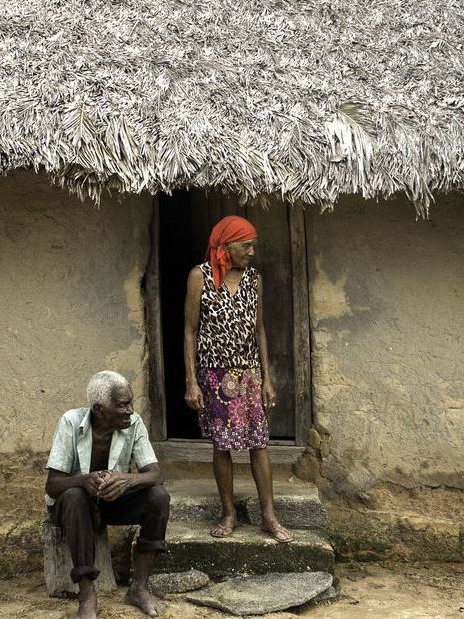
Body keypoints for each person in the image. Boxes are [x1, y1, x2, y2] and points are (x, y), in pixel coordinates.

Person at [183, 215, 294, 543]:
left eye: (253, 245)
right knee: (222, 445)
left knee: (259, 444)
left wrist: (267, 378)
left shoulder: (254, 279)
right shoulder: (198, 277)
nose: (252, 251)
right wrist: (191, 380)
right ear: (226, 245)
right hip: (214, 375)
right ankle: (228, 512)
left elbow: (260, 329)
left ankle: (269, 516)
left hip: (249, 374)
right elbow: (189, 331)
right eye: (246, 245)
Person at [45, 370, 169, 618]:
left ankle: (138, 588)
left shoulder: (134, 424)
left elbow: (156, 474)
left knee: (158, 496)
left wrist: (128, 479)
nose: (130, 410)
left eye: (130, 402)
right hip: (75, 506)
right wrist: (83, 480)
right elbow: (52, 485)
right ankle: (87, 595)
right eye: (122, 405)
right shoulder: (70, 422)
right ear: (99, 410)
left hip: (112, 502)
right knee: (74, 496)